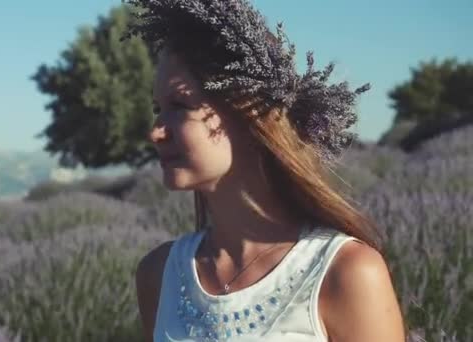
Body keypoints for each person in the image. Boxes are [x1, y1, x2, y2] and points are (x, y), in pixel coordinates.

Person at [121, 1, 406, 341]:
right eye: (158, 109)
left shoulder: (346, 272)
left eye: (179, 106)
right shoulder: (159, 275)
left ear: (246, 114)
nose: (156, 131)